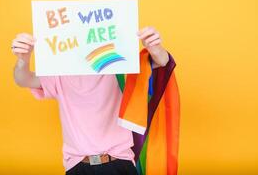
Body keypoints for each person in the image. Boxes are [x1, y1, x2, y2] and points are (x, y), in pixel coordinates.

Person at [12, 26, 169, 175]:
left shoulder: (120, 69)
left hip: (120, 162)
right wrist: (23, 59)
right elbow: (24, 79)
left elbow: (162, 61)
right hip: (78, 165)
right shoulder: (60, 74)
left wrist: (155, 47)